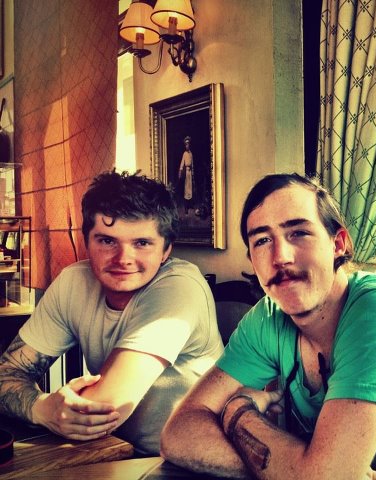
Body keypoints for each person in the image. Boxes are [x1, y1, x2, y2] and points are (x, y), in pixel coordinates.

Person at [161, 173, 376, 479]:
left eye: (299, 233)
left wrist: (238, 412)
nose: (280, 257)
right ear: (252, 261)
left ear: (338, 244)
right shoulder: (268, 318)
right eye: (262, 240)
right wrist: (284, 468)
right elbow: (178, 433)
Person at [0, 170, 224, 456]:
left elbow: (98, 411)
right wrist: (41, 407)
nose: (123, 259)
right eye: (107, 241)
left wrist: (54, 410)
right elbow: (5, 374)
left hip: (186, 462)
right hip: (113, 451)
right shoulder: (73, 281)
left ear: (166, 250)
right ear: (86, 241)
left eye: (142, 243)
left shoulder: (181, 287)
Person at [178, 135, 195, 215]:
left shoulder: (191, 154)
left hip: (190, 173)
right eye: (186, 145)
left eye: (188, 144)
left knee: (190, 189)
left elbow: (192, 164)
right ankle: (186, 208)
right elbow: (182, 163)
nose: (187, 146)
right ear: (185, 146)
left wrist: (193, 173)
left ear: (190, 145)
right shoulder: (184, 154)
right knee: (186, 189)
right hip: (186, 172)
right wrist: (180, 171)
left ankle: (190, 205)